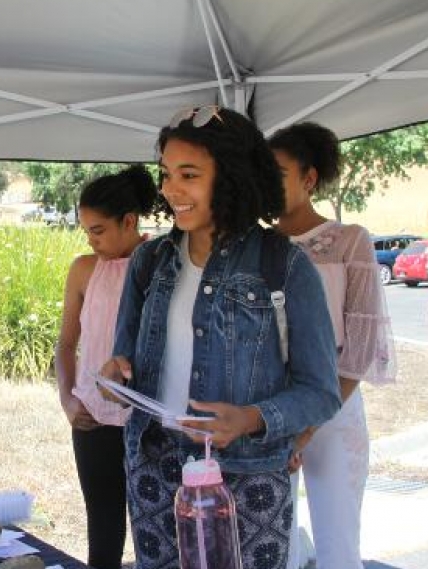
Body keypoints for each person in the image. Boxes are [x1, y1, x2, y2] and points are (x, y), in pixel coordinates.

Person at [99, 106, 341, 569]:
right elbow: (123, 358)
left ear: (232, 177)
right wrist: (116, 372)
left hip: (247, 478)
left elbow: (322, 392)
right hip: (155, 469)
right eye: (167, 174)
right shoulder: (150, 262)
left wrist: (251, 418)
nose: (171, 190)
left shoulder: (284, 265)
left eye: (188, 175)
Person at [270, 122, 396, 569]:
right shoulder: (254, 245)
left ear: (308, 178)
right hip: (270, 409)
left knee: (338, 542)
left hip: (335, 405)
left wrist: (310, 424)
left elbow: (360, 346)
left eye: (278, 172)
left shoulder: (349, 241)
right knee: (271, 539)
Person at [55, 165, 159, 569]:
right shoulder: (84, 269)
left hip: (149, 423)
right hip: (93, 421)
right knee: (103, 535)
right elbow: (65, 344)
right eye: (86, 231)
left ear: (129, 221)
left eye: (98, 230)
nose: (90, 240)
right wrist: (67, 398)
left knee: (156, 532)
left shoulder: (160, 263)